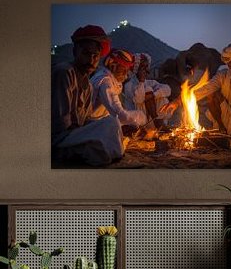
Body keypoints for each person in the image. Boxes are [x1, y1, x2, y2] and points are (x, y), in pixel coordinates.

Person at [161, 40, 231, 138]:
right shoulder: (221, 76)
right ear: (229, 64)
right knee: (211, 94)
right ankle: (222, 128)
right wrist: (176, 102)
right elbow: (203, 90)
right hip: (230, 120)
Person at [51, 25, 126, 166]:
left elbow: (84, 121)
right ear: (75, 52)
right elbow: (61, 125)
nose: (91, 60)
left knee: (111, 123)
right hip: (60, 139)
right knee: (105, 137)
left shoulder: (89, 86)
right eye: (86, 53)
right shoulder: (64, 73)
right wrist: (95, 133)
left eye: (95, 56)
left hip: (75, 134)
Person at [90, 48, 146, 128]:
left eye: (127, 69)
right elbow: (119, 115)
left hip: (98, 125)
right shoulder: (105, 82)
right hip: (91, 127)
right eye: (123, 68)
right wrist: (140, 116)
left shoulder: (111, 80)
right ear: (113, 65)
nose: (126, 73)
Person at [123, 53, 171, 129]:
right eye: (142, 67)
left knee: (162, 98)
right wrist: (141, 82)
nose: (146, 70)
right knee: (148, 90)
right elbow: (139, 99)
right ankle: (158, 125)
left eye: (146, 67)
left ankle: (159, 124)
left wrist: (154, 95)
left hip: (151, 120)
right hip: (139, 120)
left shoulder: (149, 82)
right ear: (136, 69)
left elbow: (168, 90)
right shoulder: (129, 85)